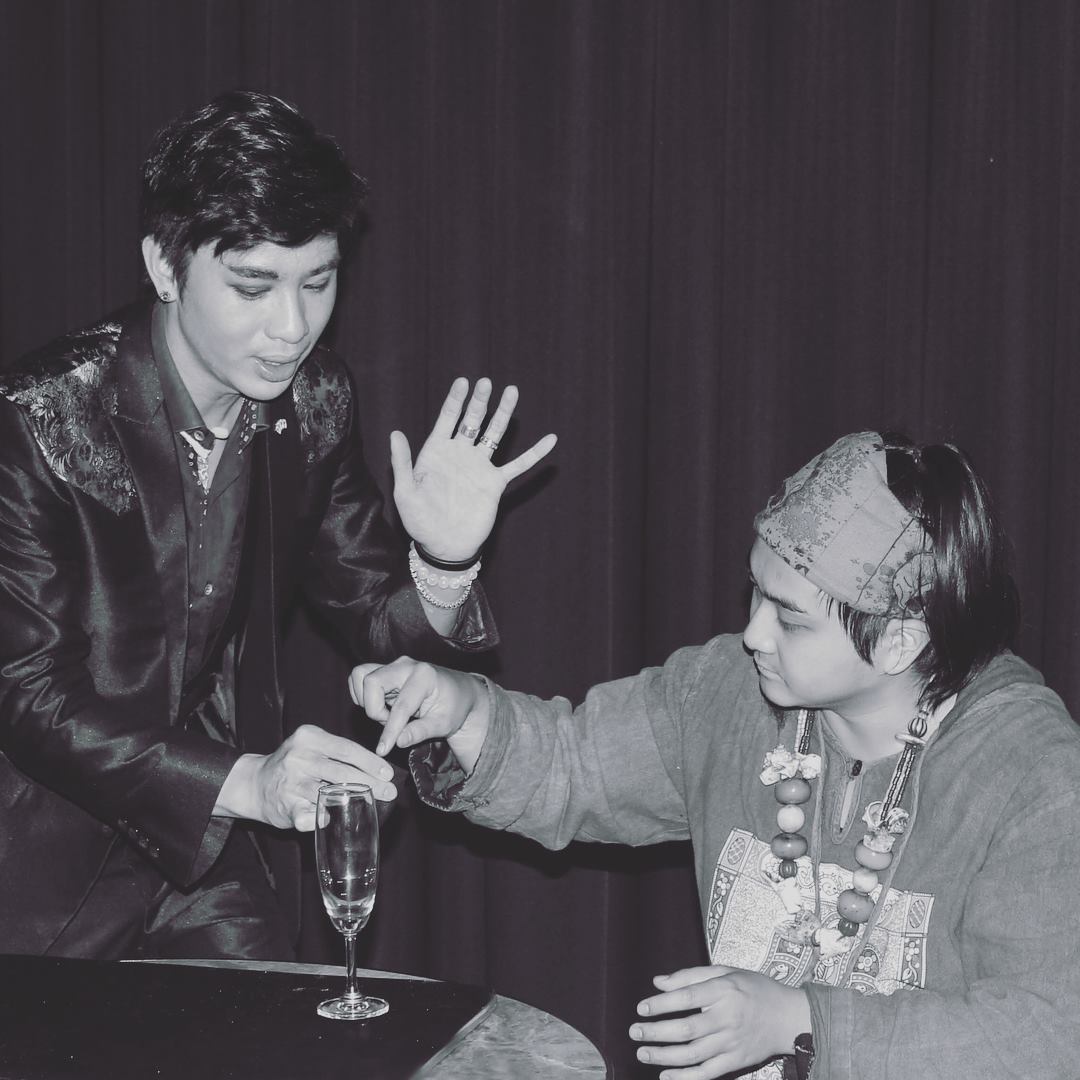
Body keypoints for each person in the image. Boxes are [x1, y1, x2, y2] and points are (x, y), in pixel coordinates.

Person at [0, 90, 555, 962]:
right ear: (164, 266)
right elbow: (30, 696)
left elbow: (376, 616)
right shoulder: (39, 417)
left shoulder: (317, 400)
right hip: (41, 864)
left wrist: (445, 562)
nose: (292, 328)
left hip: (212, 857)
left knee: (283, 1024)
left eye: (318, 282)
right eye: (253, 286)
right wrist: (248, 781)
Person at [352, 431, 1080, 1079]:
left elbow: (1048, 1036)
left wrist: (799, 1020)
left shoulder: (1031, 772)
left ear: (899, 641)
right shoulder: (725, 693)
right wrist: (462, 709)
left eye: (789, 617)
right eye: (756, 594)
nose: (754, 633)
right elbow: (572, 764)